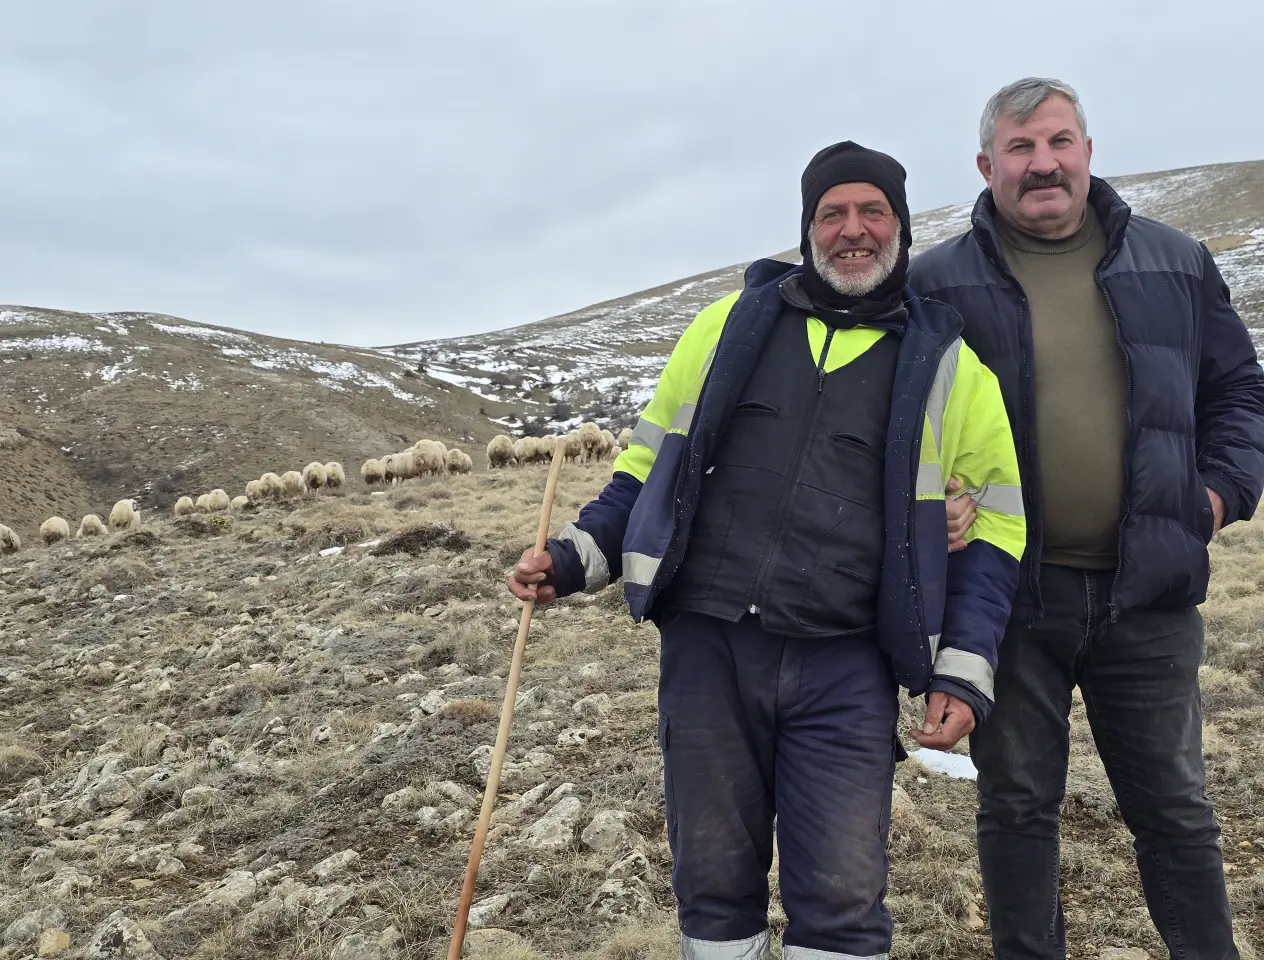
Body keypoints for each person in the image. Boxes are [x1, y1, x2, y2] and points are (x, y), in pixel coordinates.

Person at [507, 141, 1026, 960]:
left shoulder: (951, 369)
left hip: (847, 662)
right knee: (712, 881)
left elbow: (995, 530)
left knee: (844, 894)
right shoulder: (726, 328)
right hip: (708, 649)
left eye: (872, 211)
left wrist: (961, 671)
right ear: (807, 226)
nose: (852, 230)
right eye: (832, 213)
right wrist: (572, 560)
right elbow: (647, 469)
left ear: (899, 226)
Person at [909, 77, 1264, 960]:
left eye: (1059, 142)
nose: (1044, 165)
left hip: (1148, 592)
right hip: (1005, 598)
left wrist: (1218, 495)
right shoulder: (935, 282)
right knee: (1016, 807)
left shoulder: (1175, 262)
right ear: (986, 166)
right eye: (1021, 148)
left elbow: (1239, 392)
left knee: (1174, 809)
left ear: (1088, 152)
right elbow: (894, 420)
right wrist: (923, 504)